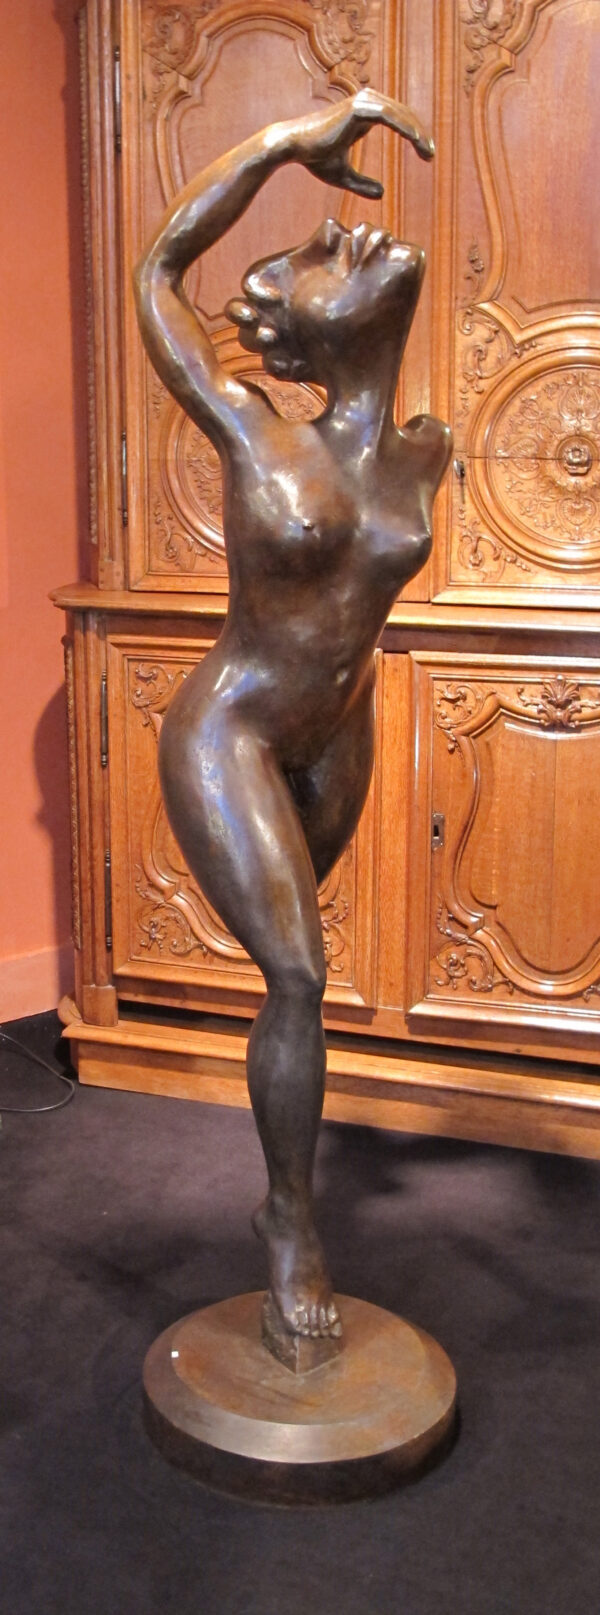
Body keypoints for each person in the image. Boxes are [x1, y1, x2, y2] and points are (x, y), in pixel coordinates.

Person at [134, 90, 452, 1345]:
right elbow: (159, 271)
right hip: (235, 733)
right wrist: (283, 141)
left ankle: (291, 1193)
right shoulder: (253, 429)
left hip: (340, 732)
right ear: (299, 333)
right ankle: (289, 1226)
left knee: (297, 987)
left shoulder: (424, 450)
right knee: (301, 976)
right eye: (318, 254)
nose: (347, 236)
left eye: (335, 241)